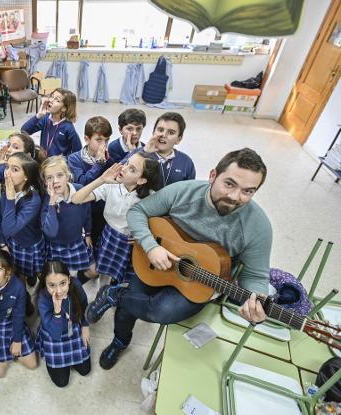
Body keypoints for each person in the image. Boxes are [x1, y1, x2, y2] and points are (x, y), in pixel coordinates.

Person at [87, 148, 272, 370]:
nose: (235, 197)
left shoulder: (258, 226)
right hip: (154, 260)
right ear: (213, 175)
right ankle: (120, 341)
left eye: (248, 191)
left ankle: (115, 294)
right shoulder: (183, 192)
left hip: (202, 281)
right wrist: (151, 246)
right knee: (130, 306)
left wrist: (257, 299)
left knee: (162, 311)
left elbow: (256, 275)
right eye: (229, 184)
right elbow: (138, 212)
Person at [72, 153, 162, 285]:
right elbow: (76, 199)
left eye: (132, 169)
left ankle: (115, 297)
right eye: (126, 163)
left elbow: (161, 224)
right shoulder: (111, 186)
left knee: (124, 279)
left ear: (141, 180)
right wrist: (102, 179)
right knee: (103, 273)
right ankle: (100, 297)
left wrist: (146, 237)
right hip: (110, 236)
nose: (124, 169)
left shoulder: (151, 197)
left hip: (132, 243)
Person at [40, 156, 97, 281]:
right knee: (68, 276)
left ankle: (76, 283)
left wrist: (88, 233)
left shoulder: (79, 189)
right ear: (45, 182)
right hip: (57, 245)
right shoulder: (46, 200)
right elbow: (50, 232)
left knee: (93, 272)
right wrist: (52, 203)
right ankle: (71, 286)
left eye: (59, 175)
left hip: (77, 240)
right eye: (49, 178)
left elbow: (87, 213)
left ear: (67, 175)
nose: (55, 181)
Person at [36, 261, 91, 388]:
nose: (59, 290)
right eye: (52, 285)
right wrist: (57, 310)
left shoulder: (76, 284)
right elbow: (55, 334)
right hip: (53, 332)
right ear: (45, 284)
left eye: (63, 283)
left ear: (69, 279)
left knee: (85, 370)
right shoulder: (43, 298)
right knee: (62, 382)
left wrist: (85, 325)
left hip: (73, 327)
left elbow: (84, 304)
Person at [67, 116, 114, 257]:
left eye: (107, 140)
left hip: (102, 209)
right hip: (83, 210)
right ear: (87, 139)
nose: (103, 144)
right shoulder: (74, 158)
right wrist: (99, 164)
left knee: (99, 239)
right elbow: (83, 183)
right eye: (99, 140)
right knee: (86, 242)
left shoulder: (109, 158)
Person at [0, 152, 44, 287]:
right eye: (7, 167)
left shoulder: (33, 200)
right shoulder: (6, 188)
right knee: (17, 270)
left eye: (14, 169)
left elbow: (9, 228)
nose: (7, 173)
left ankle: (32, 277)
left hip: (28, 244)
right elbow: (3, 218)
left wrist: (10, 198)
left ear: (26, 176)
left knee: (31, 270)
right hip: (14, 241)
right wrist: (3, 243)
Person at [123, 112, 196, 187]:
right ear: (153, 132)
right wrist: (144, 152)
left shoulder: (186, 162)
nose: (163, 135)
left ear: (179, 139)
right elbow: (116, 174)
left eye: (171, 132)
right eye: (160, 130)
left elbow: (189, 191)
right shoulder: (139, 153)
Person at [21, 88, 81, 157]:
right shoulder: (46, 118)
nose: (51, 100)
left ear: (64, 108)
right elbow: (24, 131)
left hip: (57, 165)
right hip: (44, 161)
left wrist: (65, 161)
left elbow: (78, 151)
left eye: (57, 100)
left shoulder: (68, 128)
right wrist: (38, 115)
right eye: (52, 97)